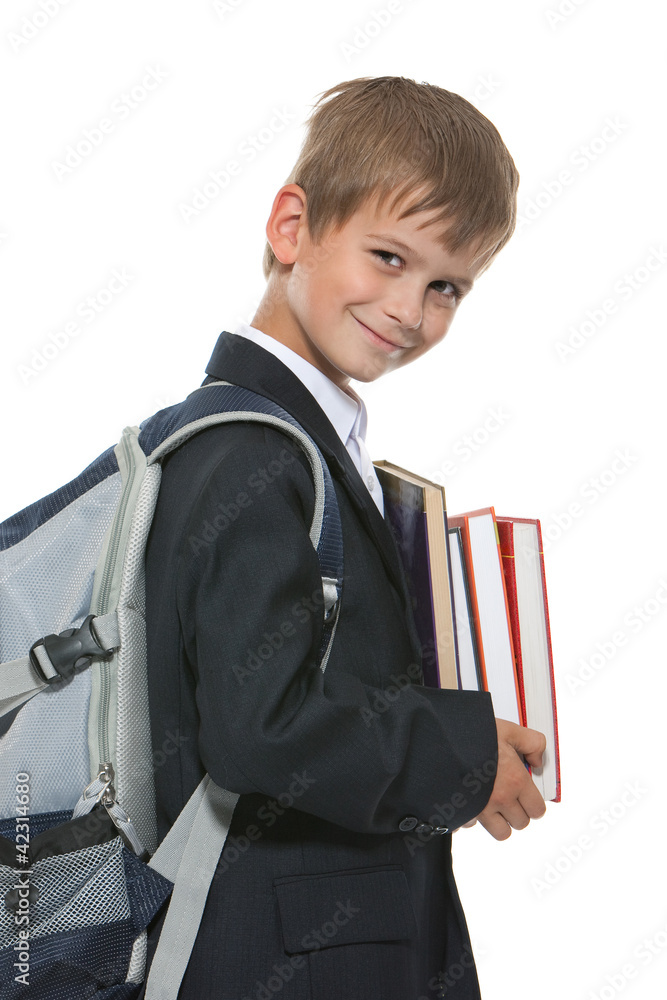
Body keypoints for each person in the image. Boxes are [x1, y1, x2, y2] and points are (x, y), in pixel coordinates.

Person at [142, 75, 547, 1000]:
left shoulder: (304, 446)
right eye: (389, 258)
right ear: (292, 228)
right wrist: (462, 756)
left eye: (446, 285)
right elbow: (259, 729)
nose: (411, 311)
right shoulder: (250, 453)